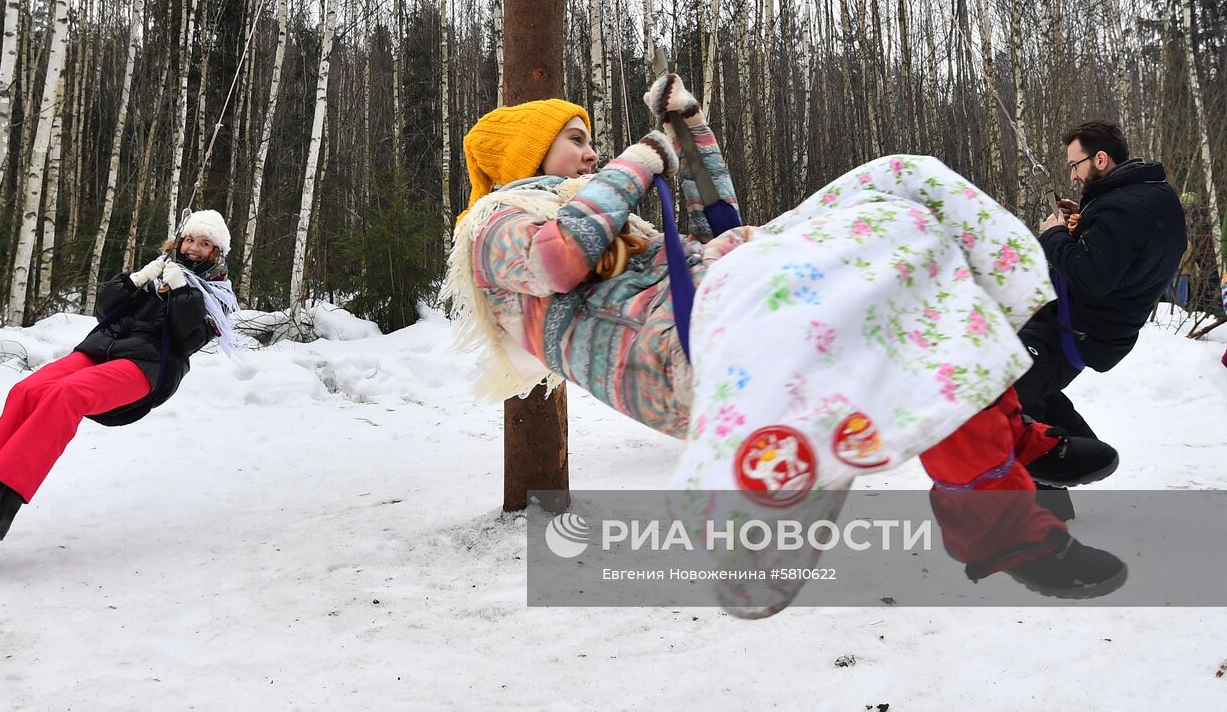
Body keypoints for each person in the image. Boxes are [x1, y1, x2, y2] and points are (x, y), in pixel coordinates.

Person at [444, 77, 1124, 605]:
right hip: (692, 355)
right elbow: (561, 260)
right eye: (574, 138)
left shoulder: (587, 203)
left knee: (903, 193)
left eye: (591, 139)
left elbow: (723, 220)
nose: (591, 151)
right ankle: (1004, 531)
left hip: (728, 298)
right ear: (526, 155)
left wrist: (692, 127)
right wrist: (639, 161)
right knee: (885, 288)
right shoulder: (496, 224)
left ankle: (1010, 431)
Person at [0, 209, 240, 544]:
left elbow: (188, 338)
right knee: (26, 391)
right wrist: (134, 280)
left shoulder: (216, 295)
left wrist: (182, 291)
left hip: (147, 365)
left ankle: (3, 512)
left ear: (216, 252)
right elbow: (104, 312)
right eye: (190, 239)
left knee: (66, 394)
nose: (193, 248)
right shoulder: (160, 271)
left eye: (204, 243)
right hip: (99, 349)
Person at [1012, 120, 1186, 518]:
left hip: (1075, 328)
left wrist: (1055, 234)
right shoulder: (1153, 196)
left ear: (1101, 159)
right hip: (1096, 328)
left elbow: (1094, 276)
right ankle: (1081, 455)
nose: (1072, 174)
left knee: (1011, 398)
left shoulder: (1122, 209)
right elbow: (1128, 252)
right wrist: (1084, 222)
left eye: (1076, 165)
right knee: (1032, 391)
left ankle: (1049, 501)